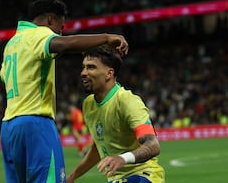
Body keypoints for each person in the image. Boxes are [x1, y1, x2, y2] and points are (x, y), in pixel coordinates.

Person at [0, 0, 129, 183]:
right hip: (35, 122)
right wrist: (106, 38)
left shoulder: (11, 44)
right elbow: (65, 44)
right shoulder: (38, 34)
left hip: (8, 127)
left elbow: (4, 76)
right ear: (50, 19)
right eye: (61, 24)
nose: (62, 30)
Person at [67, 45, 165, 183]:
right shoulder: (88, 104)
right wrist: (72, 176)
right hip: (116, 179)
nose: (83, 72)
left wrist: (122, 158)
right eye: (83, 67)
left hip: (143, 175)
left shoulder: (127, 101)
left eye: (91, 67)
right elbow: (98, 147)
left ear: (109, 73)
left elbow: (153, 145)